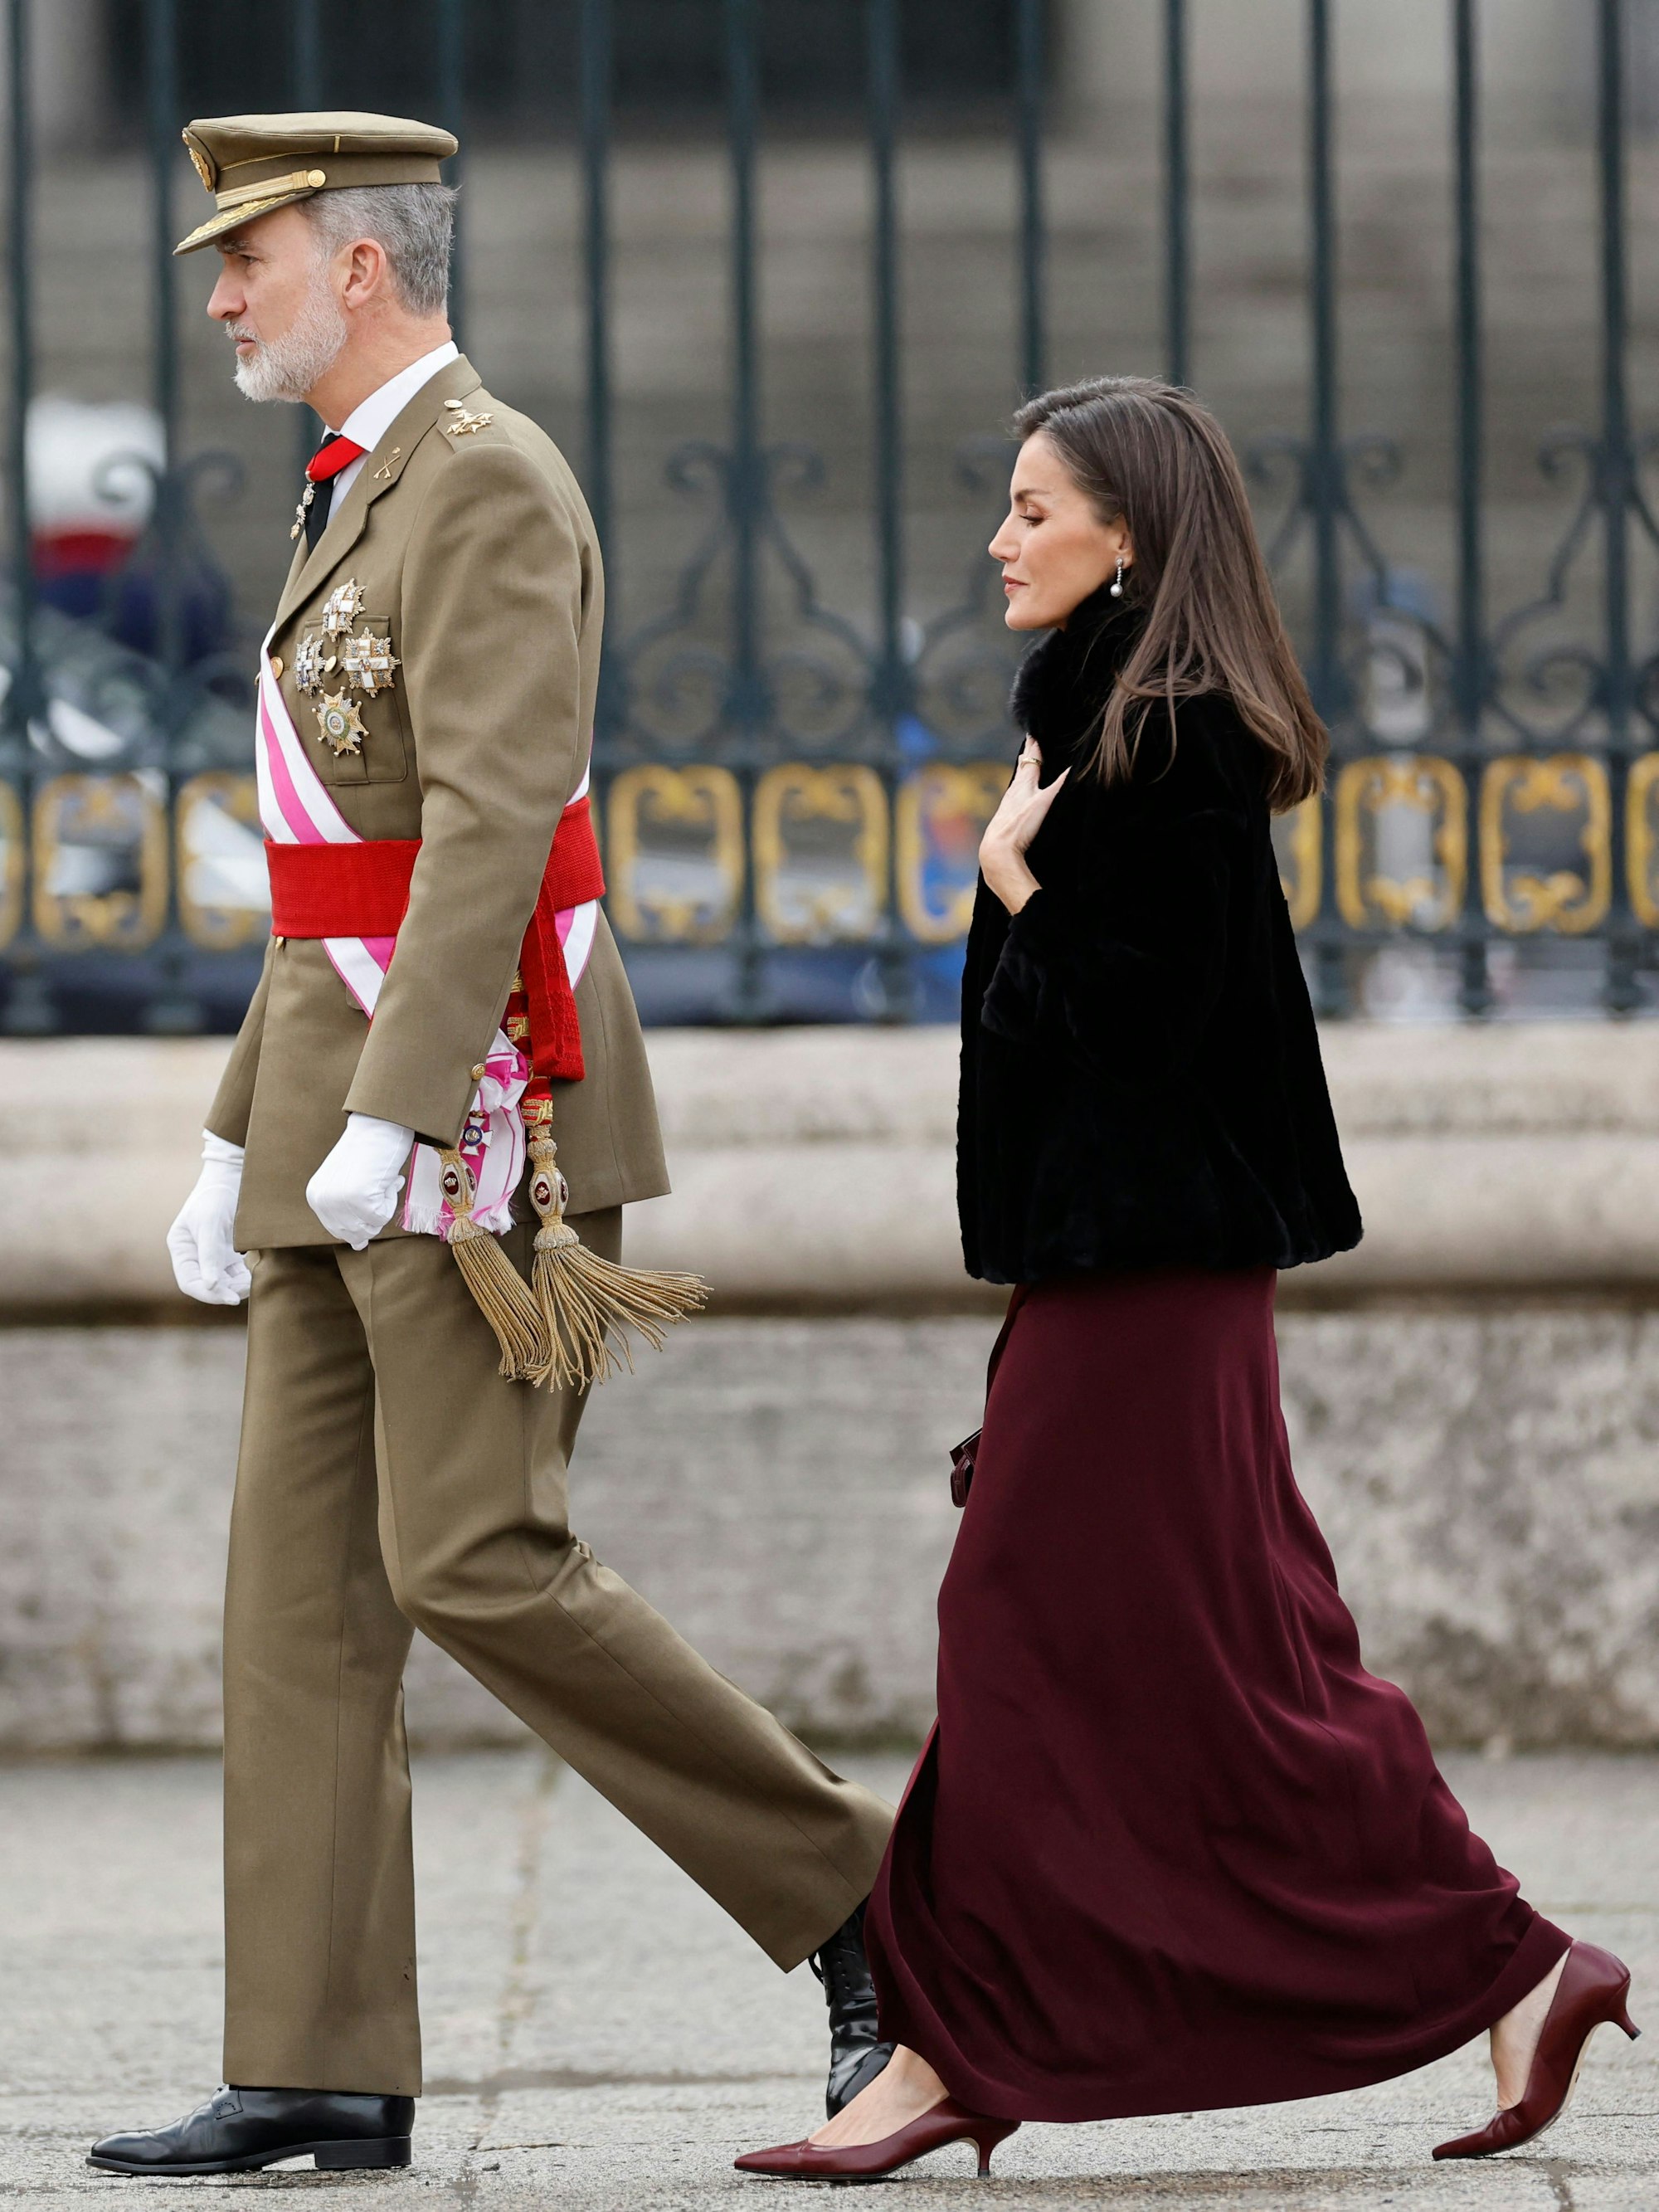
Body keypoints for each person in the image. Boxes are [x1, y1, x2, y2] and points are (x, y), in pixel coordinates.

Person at [88, 111, 893, 2180]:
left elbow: (490, 826)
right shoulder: (350, 490)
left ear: (359, 263)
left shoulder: (491, 482)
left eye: (246, 257)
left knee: (472, 1555)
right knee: (299, 1604)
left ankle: (865, 1900)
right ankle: (317, 2058)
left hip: (474, 1109)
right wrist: (231, 1137)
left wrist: (385, 1110)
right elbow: (320, 874)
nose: (220, 295)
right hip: (331, 1110)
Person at [736, 376, 1639, 2183]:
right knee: (1242, 1645)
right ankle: (1512, 1969)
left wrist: (1011, 876)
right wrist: (1021, 875)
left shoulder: (1177, 734)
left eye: (1029, 508)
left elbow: (1147, 1026)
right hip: (1120, 1259)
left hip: (1153, 1265)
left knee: (1045, 1627)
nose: (998, 539)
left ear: (1127, 531)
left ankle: (951, 2046)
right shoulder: (1102, 711)